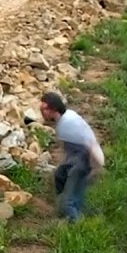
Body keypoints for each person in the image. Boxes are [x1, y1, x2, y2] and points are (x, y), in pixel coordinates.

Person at [39, 92, 105, 222]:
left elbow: (88, 144)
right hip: (75, 157)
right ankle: (64, 209)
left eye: (43, 109)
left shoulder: (67, 124)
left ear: (53, 109)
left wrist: (94, 167)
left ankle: (75, 223)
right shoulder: (67, 117)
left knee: (70, 199)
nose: (42, 113)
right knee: (60, 175)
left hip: (83, 160)